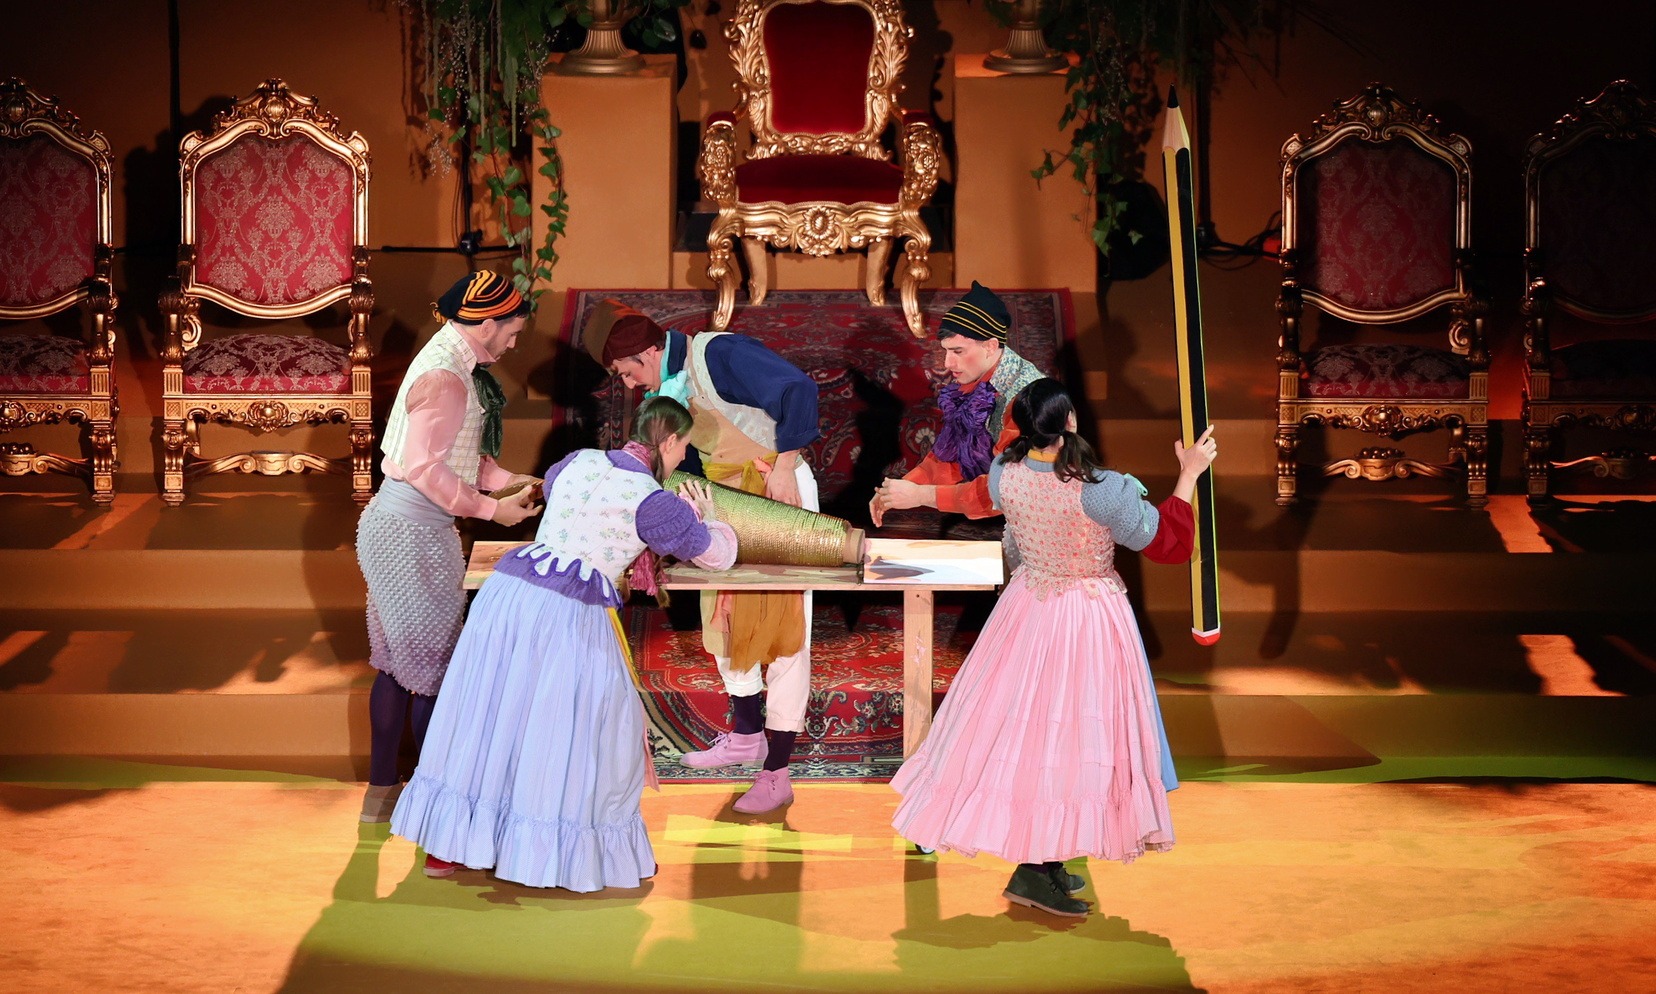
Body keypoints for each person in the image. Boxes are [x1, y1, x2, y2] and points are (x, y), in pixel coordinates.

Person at [890, 378, 1218, 918]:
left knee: (1035, 737)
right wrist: (1189, 474)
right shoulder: (1101, 487)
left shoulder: (1005, 471)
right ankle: (1034, 870)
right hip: (1085, 617)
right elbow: (1166, 542)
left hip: (1027, 608)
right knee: (1066, 741)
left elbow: (1011, 531)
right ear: (1070, 422)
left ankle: (1047, 857)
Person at [390, 396, 739, 888]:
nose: (684, 457)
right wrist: (707, 516)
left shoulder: (579, 460)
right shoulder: (654, 502)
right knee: (582, 732)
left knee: (491, 718)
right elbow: (718, 555)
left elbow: (559, 493)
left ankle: (450, 847)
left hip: (509, 596)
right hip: (568, 615)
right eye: (684, 447)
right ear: (667, 441)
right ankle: (548, 856)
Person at [588, 303, 820, 814]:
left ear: (650, 352)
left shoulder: (719, 353)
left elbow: (800, 390)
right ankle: (746, 734)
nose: (629, 384)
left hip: (776, 492)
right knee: (722, 618)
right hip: (724, 502)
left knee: (784, 627)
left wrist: (785, 467)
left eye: (628, 371)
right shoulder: (670, 389)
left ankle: (777, 772)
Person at [355, 271, 543, 823]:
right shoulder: (446, 378)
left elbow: (462, 459)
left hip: (405, 528)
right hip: (410, 533)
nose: (515, 343)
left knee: (399, 667)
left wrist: (518, 484)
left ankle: (384, 793)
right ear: (487, 324)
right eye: (513, 331)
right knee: (433, 672)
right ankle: (433, 803)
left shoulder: (454, 365)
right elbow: (423, 468)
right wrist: (490, 511)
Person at [870, 281, 1042, 526]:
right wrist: (902, 488)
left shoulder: (1027, 399)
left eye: (958, 351)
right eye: (946, 351)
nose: (947, 364)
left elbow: (1008, 489)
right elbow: (951, 454)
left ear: (991, 346)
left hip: (1037, 520)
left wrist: (922, 495)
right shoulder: (977, 378)